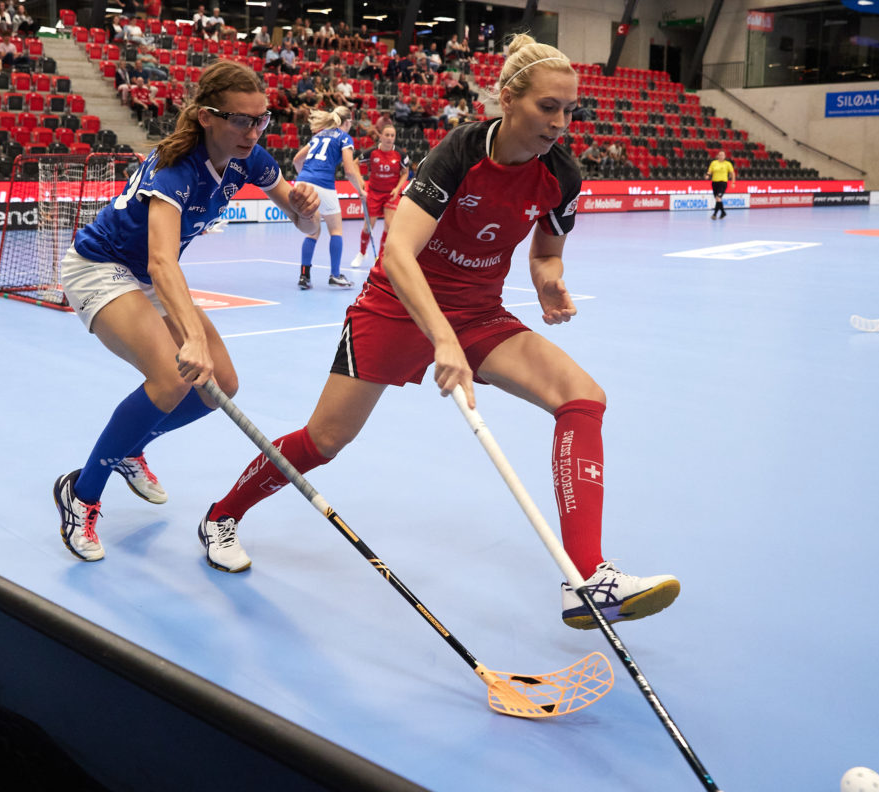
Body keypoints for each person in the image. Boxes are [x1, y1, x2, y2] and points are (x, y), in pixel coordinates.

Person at [196, 34, 680, 631]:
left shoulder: (562, 174)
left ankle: (587, 578)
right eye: (548, 107)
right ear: (509, 99)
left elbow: (546, 253)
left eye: (570, 110)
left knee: (583, 398)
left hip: (476, 312)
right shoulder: (459, 152)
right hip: (396, 306)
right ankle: (222, 514)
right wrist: (442, 340)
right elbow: (399, 252)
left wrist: (549, 281)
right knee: (324, 440)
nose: (560, 123)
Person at [51, 60, 320, 562]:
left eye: (261, 119)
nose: (253, 131)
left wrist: (306, 209)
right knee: (170, 380)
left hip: (149, 275)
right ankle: (82, 494)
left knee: (223, 386)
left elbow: (307, 227)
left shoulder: (249, 158)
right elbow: (161, 259)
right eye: (241, 120)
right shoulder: (176, 168)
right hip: (102, 267)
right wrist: (191, 338)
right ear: (206, 117)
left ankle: (128, 448)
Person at [291, 105, 367, 290]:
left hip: (302, 182)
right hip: (323, 184)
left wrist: (306, 179)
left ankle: (304, 276)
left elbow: (296, 160)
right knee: (336, 230)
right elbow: (349, 171)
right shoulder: (344, 137)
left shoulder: (319, 135)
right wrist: (360, 191)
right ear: (347, 122)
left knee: (312, 232)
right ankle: (335, 275)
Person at [351, 123, 409, 268]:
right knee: (368, 226)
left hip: (391, 194)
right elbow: (355, 163)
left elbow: (405, 173)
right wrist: (360, 181)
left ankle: (381, 258)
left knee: (389, 225)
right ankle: (362, 253)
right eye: (387, 135)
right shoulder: (372, 152)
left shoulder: (400, 154)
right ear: (381, 136)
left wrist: (398, 188)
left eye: (392, 135)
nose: (390, 138)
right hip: (374, 192)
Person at [706, 149, 735, 219]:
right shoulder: (714, 163)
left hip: (723, 183)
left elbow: (732, 173)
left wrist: (733, 182)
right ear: (717, 156)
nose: (721, 156)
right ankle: (723, 212)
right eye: (720, 155)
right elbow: (710, 171)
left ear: (725, 156)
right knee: (717, 199)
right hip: (714, 183)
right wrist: (708, 175)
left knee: (718, 198)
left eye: (723, 155)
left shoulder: (728, 164)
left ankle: (714, 214)